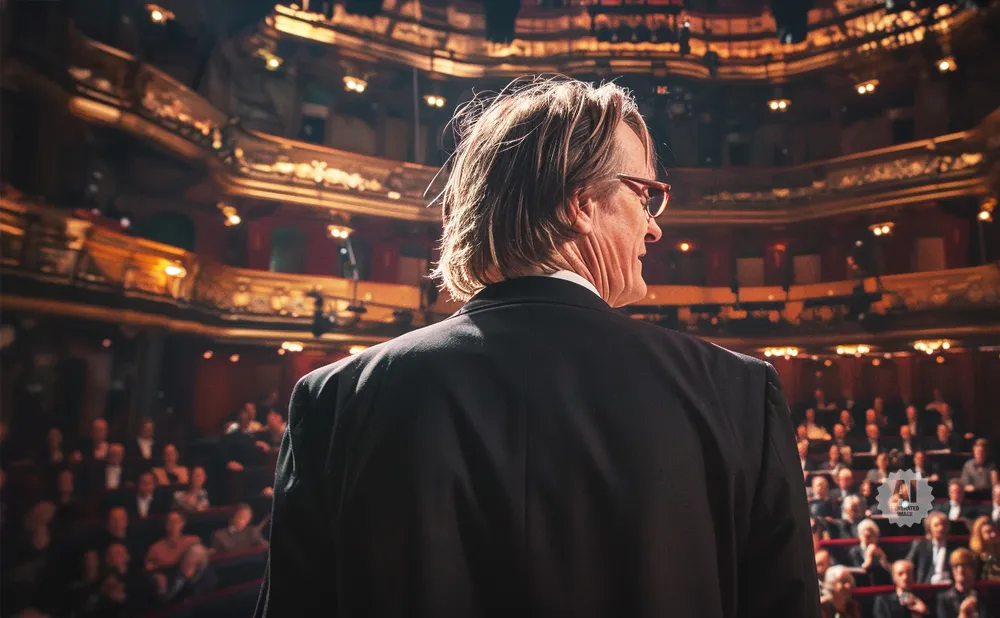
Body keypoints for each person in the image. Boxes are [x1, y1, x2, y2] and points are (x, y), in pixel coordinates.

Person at [254, 77, 820, 618]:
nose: (654, 229)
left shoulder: (336, 399)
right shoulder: (737, 394)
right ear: (580, 204)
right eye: (645, 195)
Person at [936, 548, 991, 618]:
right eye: (956, 566)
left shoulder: (985, 599)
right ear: (952, 570)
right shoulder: (944, 600)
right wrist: (962, 613)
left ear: (973, 569)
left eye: (964, 565)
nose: (960, 570)